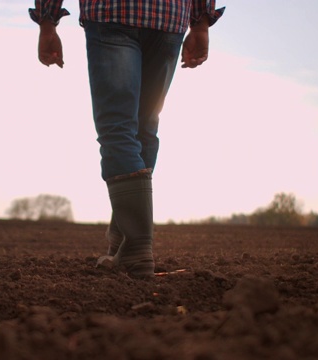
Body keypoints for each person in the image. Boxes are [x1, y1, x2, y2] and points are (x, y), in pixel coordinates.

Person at [29, 1, 224, 278]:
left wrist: (47, 21)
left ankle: (136, 249)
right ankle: (121, 240)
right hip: (169, 17)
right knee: (144, 128)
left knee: (118, 128)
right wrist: (201, 22)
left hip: (112, 12)